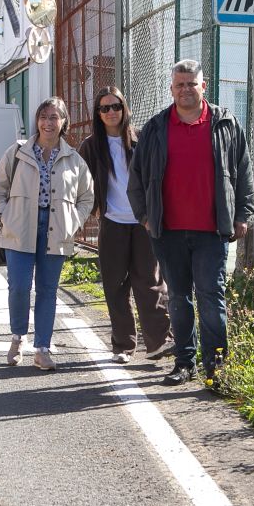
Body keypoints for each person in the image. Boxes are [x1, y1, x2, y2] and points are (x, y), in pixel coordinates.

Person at [127, 59, 254, 387]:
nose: (185, 89)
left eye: (191, 83)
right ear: (171, 89)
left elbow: (244, 171)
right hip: (167, 231)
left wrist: (243, 214)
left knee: (211, 296)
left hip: (212, 231)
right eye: (179, 84)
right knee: (179, 298)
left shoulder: (225, 123)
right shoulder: (156, 128)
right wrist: (144, 216)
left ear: (203, 86)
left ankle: (217, 364)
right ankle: (185, 363)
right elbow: (137, 178)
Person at [0, 96, 93, 371]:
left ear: (63, 122)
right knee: (19, 287)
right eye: (44, 116)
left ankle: (42, 348)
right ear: (37, 120)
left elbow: (87, 197)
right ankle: (17, 336)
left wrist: (74, 223)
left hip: (56, 229)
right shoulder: (18, 152)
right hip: (19, 226)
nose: (48, 122)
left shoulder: (74, 159)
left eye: (54, 117)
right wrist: (4, 215)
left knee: (47, 290)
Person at [77, 86, 173, 364]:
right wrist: (92, 210)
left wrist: (154, 214)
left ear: (124, 108)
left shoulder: (141, 140)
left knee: (151, 283)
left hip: (142, 222)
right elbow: (81, 183)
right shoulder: (90, 146)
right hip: (112, 222)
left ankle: (158, 342)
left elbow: (158, 176)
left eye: (115, 106)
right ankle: (123, 346)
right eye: (104, 108)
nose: (111, 112)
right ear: (98, 113)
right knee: (115, 285)